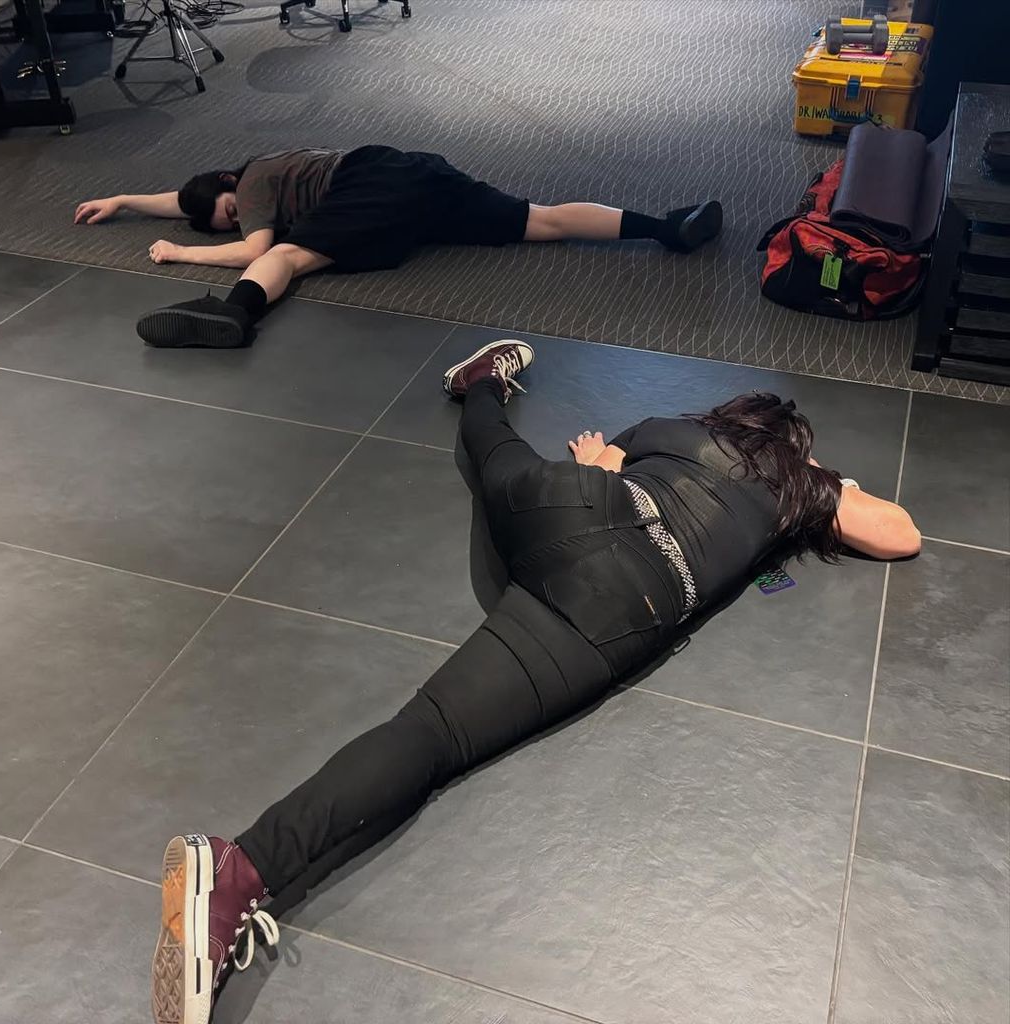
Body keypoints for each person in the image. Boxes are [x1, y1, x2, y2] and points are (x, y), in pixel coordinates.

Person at [149, 341, 920, 1024]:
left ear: (727, 415)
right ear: (794, 448)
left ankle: (482, 383)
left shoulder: (670, 430)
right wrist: (823, 481)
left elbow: (609, 465)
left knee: (495, 458)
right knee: (431, 737)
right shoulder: (796, 487)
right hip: (625, 603)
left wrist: (599, 473)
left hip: (579, 508)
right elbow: (902, 535)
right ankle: (240, 865)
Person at [73, 146, 723, 350]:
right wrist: (127, 202)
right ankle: (665, 227)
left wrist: (183, 254)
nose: (239, 218)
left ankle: (234, 314)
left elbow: (257, 247)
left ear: (229, 181)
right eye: (227, 220)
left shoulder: (259, 178)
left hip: (371, 180)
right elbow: (186, 201)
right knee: (541, 220)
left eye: (230, 209)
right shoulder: (237, 187)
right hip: (414, 189)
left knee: (289, 257)